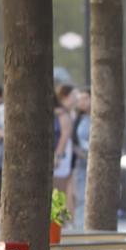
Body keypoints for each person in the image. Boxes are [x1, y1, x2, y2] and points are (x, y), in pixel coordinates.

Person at [52, 85, 76, 211]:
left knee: (58, 192)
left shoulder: (62, 114)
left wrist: (58, 155)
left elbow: (65, 135)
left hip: (59, 158)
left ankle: (56, 224)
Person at [71, 88, 91, 227]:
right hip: (81, 162)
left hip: (91, 162)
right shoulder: (79, 118)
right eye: (80, 99)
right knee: (80, 198)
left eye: (85, 98)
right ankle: (79, 227)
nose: (81, 102)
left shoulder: (96, 119)